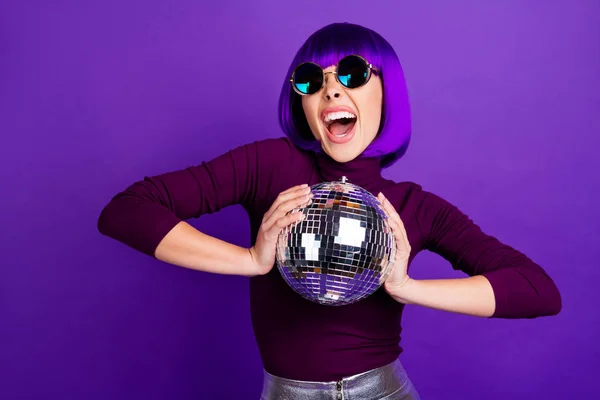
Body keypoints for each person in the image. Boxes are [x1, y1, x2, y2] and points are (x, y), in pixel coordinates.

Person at [97, 22, 562, 399]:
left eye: (353, 74)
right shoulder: (267, 166)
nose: (332, 92)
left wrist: (406, 287)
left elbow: (538, 291)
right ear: (301, 101)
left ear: (386, 91)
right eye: (312, 80)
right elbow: (126, 212)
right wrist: (251, 261)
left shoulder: (411, 207)